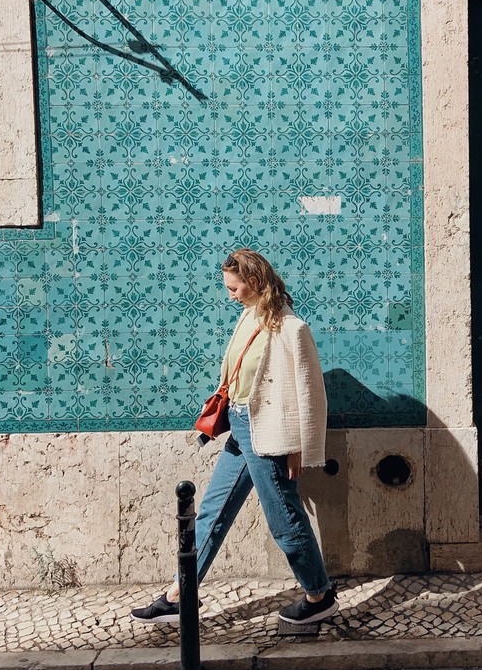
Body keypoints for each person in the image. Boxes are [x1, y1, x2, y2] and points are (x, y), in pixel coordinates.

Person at [131, 248, 337, 625]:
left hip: (269, 435)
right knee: (212, 511)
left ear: (255, 283)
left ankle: (319, 595)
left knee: (284, 519)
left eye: (234, 287)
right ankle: (180, 595)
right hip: (241, 428)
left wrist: (298, 449)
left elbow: (309, 394)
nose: (230, 294)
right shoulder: (247, 317)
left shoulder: (293, 329)